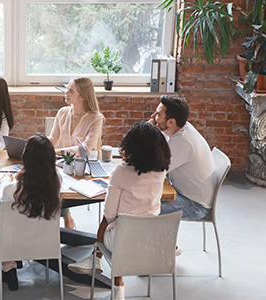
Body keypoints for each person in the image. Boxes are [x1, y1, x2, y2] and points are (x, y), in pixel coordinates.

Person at [67, 121, 170, 300]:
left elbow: (109, 213)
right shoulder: (161, 171)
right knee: (126, 222)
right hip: (152, 240)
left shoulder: (121, 171)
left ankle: (98, 262)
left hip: (122, 241)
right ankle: (98, 261)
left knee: (108, 222)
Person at [0, 134, 62, 291]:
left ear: (26, 158)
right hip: (45, 242)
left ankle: (9, 266)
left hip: (17, 241)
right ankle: (10, 265)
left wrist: (8, 179)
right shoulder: (57, 182)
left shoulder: (13, 189)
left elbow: (2, 194)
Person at [48, 76, 105, 229]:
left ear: (82, 96)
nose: (66, 92)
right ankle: (64, 221)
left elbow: (84, 149)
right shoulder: (62, 112)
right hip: (62, 164)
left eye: (70, 91)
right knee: (49, 183)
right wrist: (41, 147)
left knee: (56, 185)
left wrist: (55, 151)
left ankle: (66, 220)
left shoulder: (96, 118)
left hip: (84, 169)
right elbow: (53, 137)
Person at [149, 95, 215, 224]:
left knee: (143, 209)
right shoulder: (179, 129)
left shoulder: (183, 141)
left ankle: (154, 244)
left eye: (158, 114)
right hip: (182, 192)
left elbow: (153, 169)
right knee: (142, 202)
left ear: (171, 122)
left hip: (194, 205)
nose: (153, 116)